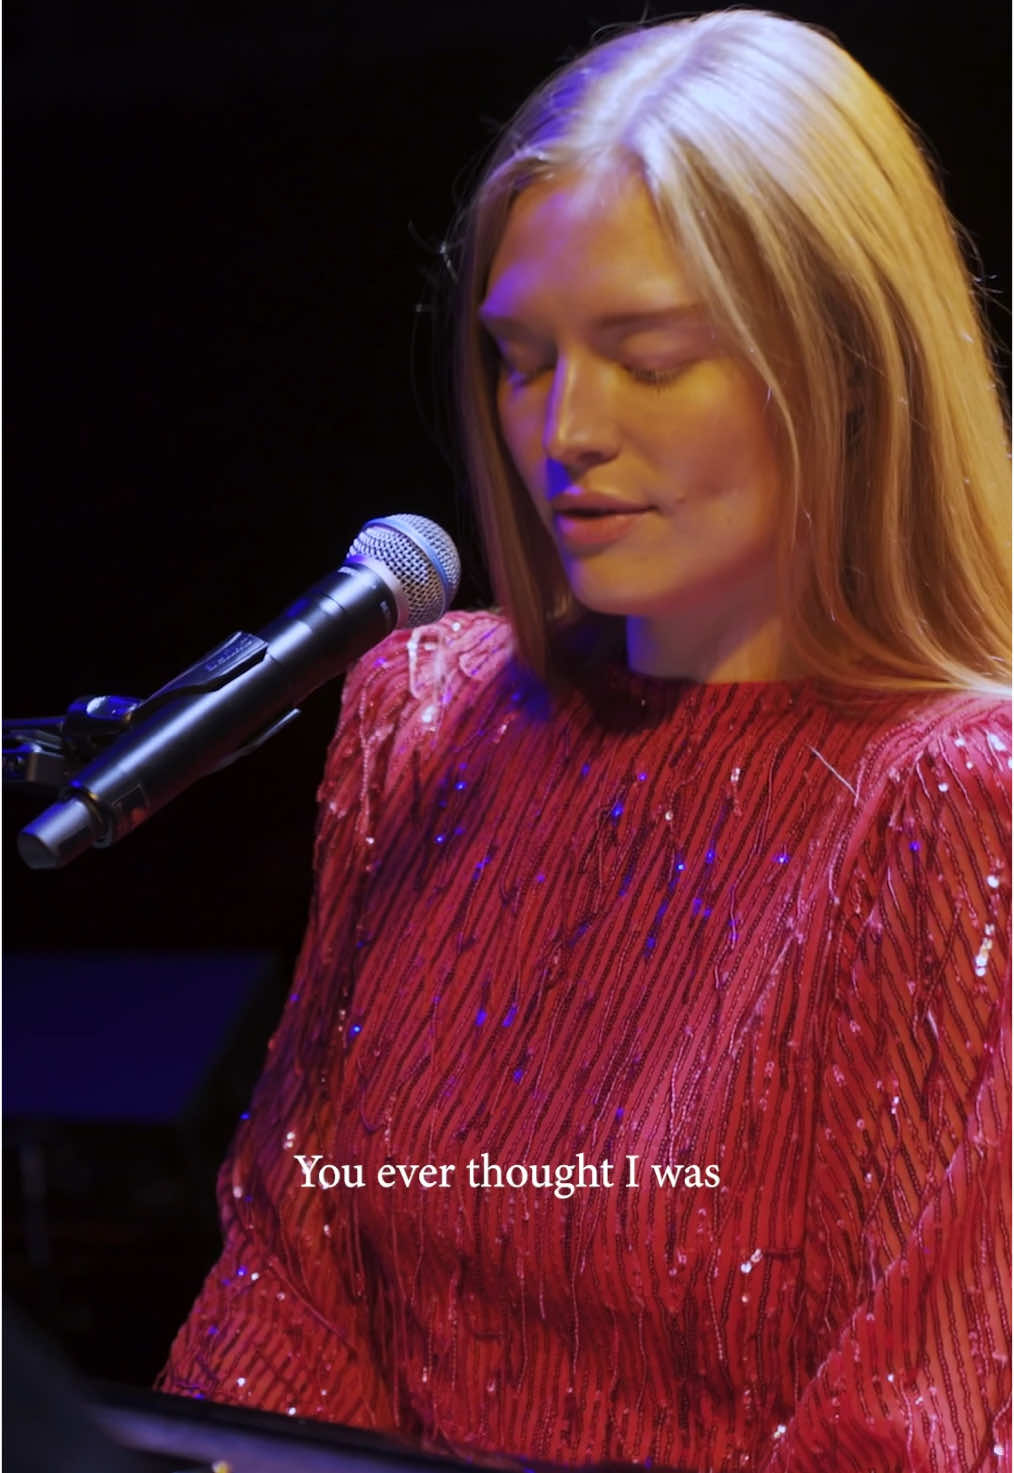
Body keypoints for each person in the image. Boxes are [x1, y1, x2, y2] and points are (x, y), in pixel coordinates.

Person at [156, 10, 1012, 1471]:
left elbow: (912, 1417)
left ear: (847, 366)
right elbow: (293, 1284)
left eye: (649, 356)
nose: (564, 430)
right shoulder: (422, 718)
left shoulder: (959, 800)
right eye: (519, 359)